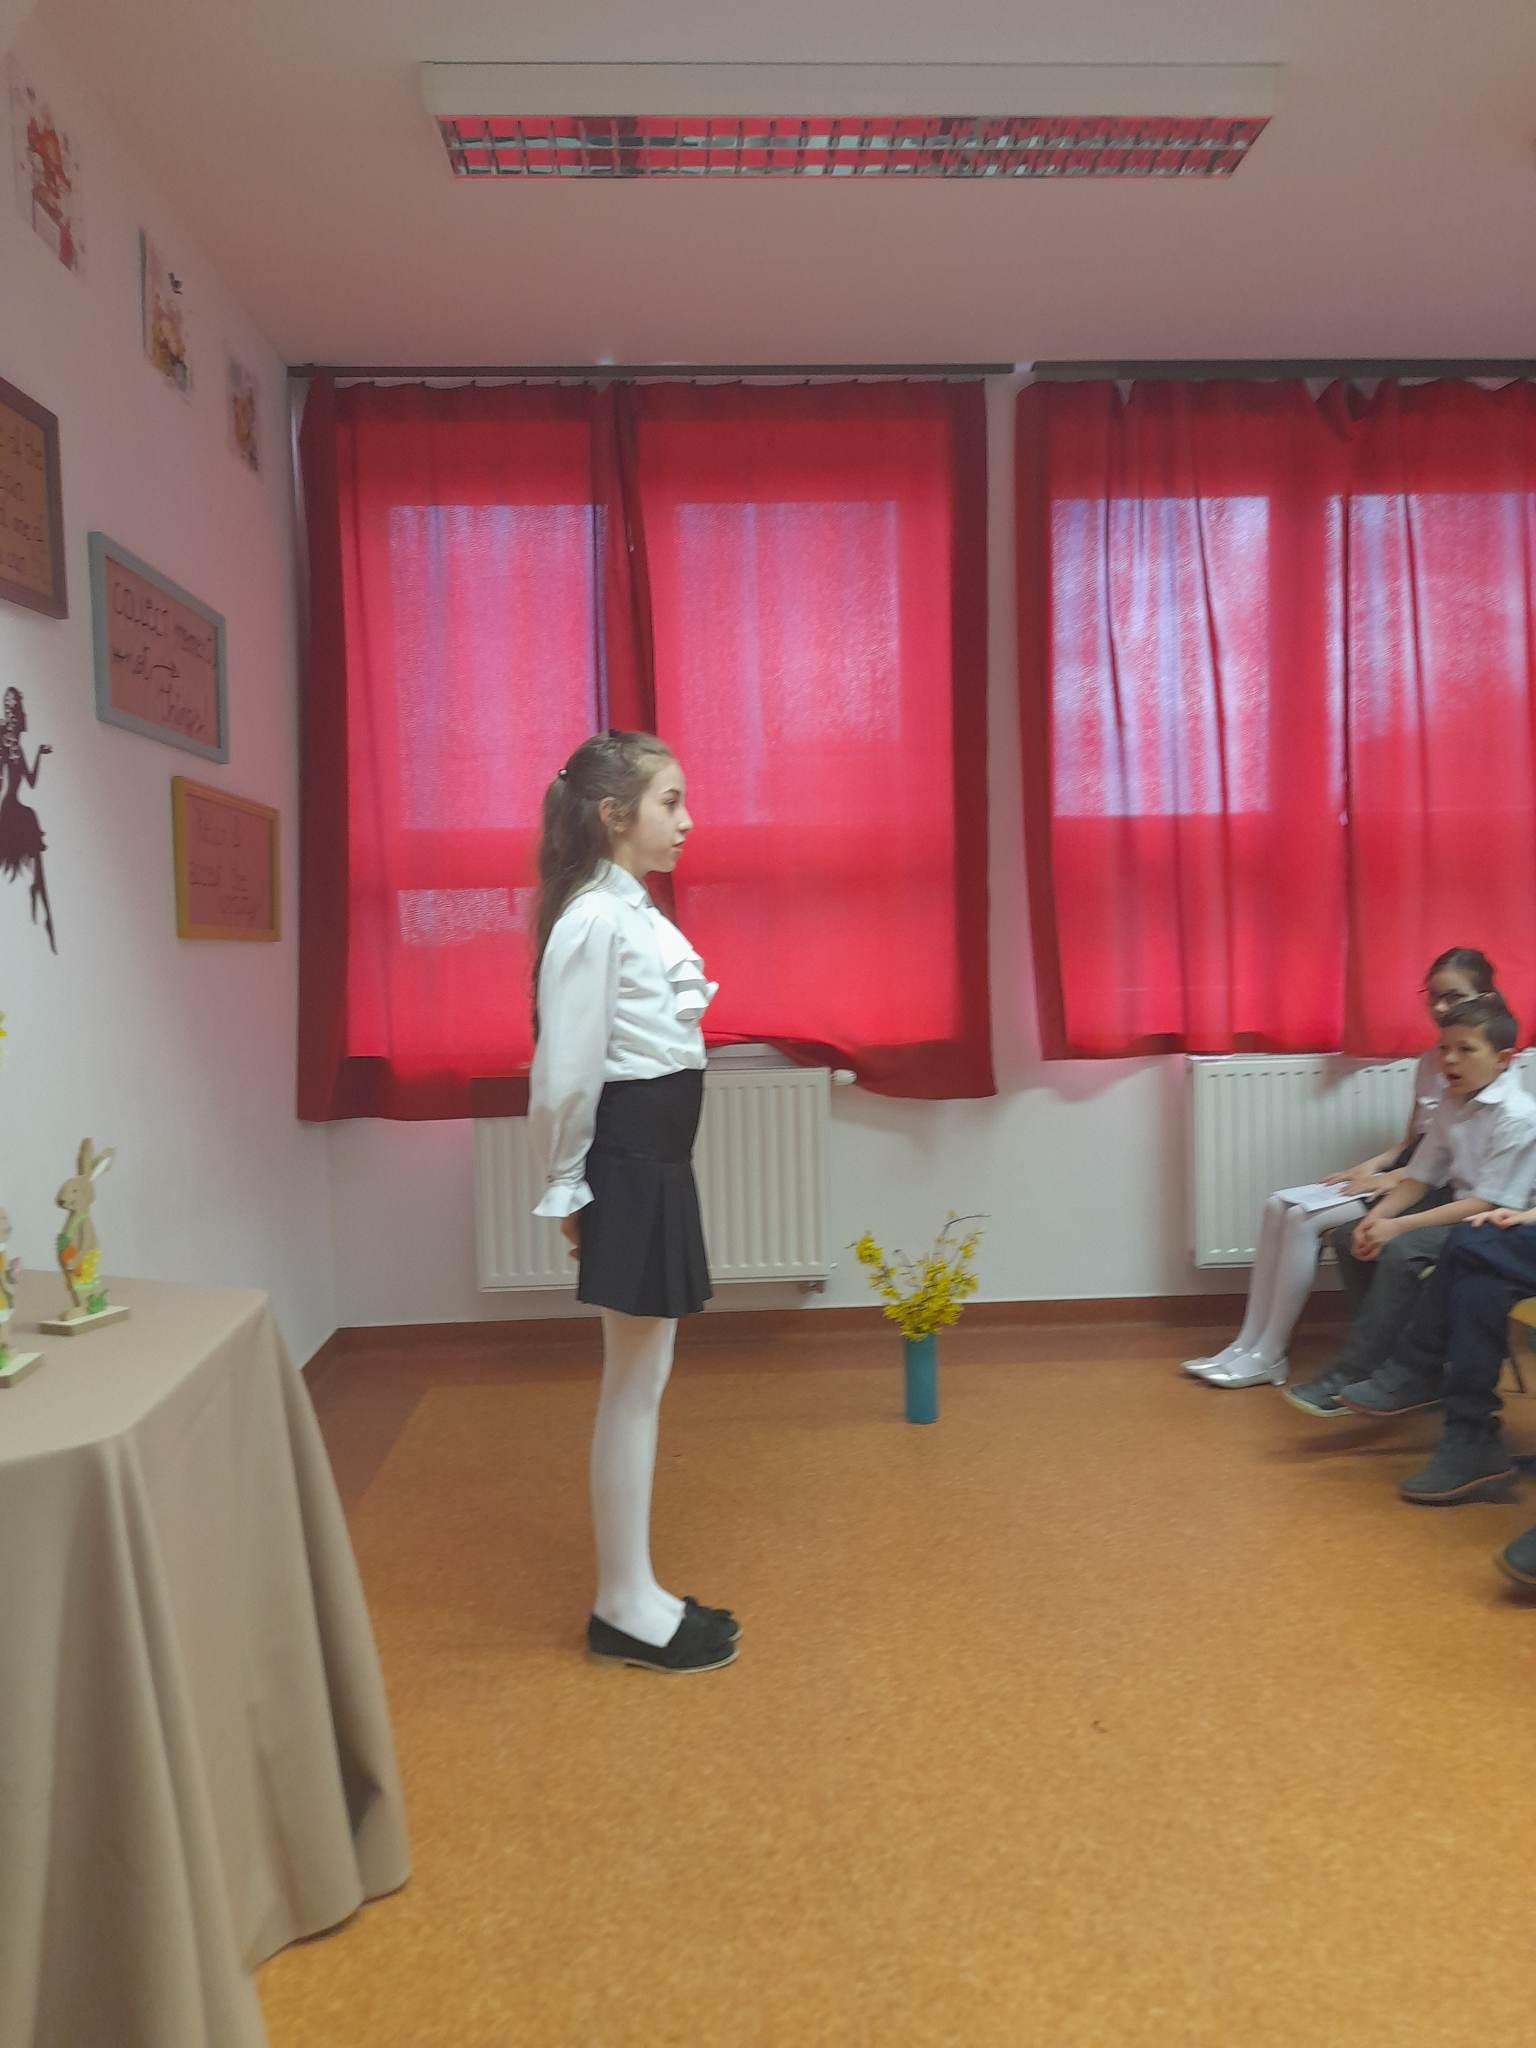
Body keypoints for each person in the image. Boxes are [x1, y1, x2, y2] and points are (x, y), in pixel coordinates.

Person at [528, 729, 738, 1676]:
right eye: (670, 802)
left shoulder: (631, 911)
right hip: (629, 1162)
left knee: (643, 1381)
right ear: (615, 815)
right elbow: (565, 1076)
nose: (687, 821)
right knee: (633, 1384)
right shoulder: (595, 921)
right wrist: (568, 1184)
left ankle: (637, 1591)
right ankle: (621, 1601)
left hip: (654, 1162)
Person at [1184, 949, 1494, 1389]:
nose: (1441, 1007)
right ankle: (1246, 1343)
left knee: (1302, 1219)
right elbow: (1410, 1141)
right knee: (1276, 1206)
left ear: (1486, 998)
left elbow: (1448, 1160)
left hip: (1434, 1182)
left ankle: (1270, 1353)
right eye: (1434, 997)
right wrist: (1366, 1167)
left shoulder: (1482, 1066)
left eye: (1454, 997)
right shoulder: (1432, 1059)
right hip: (1411, 1166)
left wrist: (1392, 1178)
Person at [1284, 994, 1536, 1418]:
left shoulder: (1518, 1116)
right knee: (1351, 1238)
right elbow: (1420, 1177)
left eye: (1466, 1049)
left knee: (1402, 1249)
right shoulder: (1453, 1101)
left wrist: (1398, 1228)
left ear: (1502, 1059)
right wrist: (1376, 1219)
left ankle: (1356, 1371)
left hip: (1501, 1228)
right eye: (1445, 1048)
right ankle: (1385, 1362)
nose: (1449, 1060)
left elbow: (1486, 1202)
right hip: (1463, 1211)